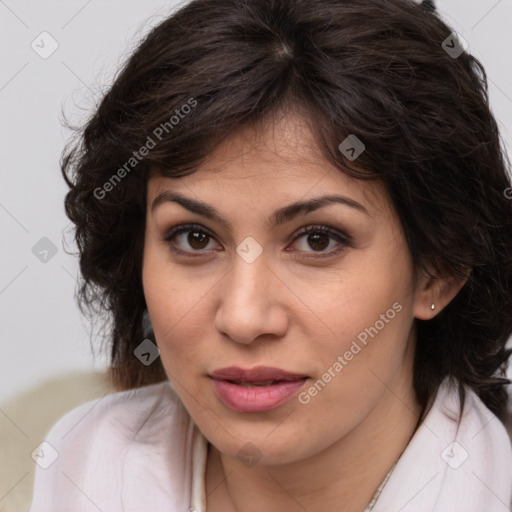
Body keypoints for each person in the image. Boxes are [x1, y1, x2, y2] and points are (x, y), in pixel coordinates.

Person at [29, 0, 512, 510]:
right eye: (194, 238)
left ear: (439, 269)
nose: (243, 317)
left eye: (317, 240)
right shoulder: (86, 462)